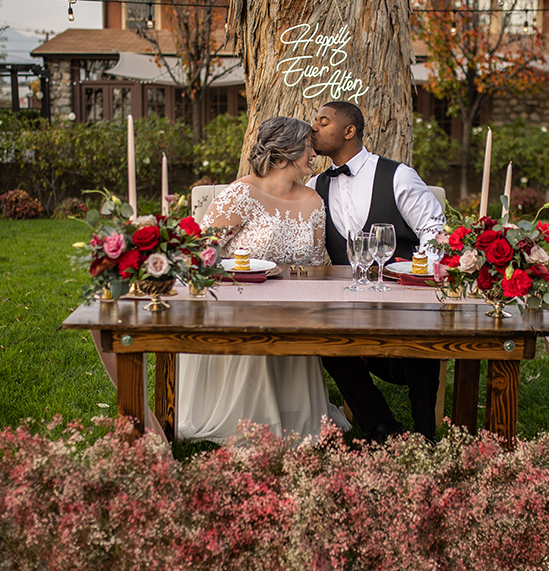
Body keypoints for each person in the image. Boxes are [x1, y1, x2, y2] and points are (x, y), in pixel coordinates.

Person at [176, 116, 351, 443]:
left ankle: (292, 414)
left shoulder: (313, 202)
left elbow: (313, 264)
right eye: (308, 146)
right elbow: (202, 254)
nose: (314, 153)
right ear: (285, 151)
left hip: (294, 304)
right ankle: (244, 418)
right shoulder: (242, 193)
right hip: (238, 301)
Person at [307, 101, 445, 442]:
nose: (314, 129)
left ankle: (427, 436)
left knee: (420, 343)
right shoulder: (315, 185)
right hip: (347, 302)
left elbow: (434, 229)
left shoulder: (398, 175)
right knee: (324, 341)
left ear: (349, 131)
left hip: (403, 297)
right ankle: (381, 426)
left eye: (323, 122)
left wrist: (417, 274)